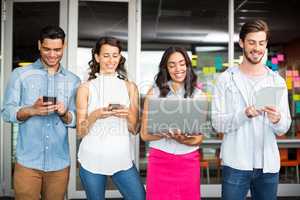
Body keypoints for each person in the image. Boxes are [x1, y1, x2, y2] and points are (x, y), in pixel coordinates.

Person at [211, 19, 291, 200]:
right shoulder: (225, 80)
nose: (257, 48)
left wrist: (277, 119)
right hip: (236, 164)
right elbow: (217, 123)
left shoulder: (276, 81)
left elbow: (284, 126)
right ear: (241, 43)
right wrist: (244, 114)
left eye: (261, 43)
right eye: (252, 42)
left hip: (268, 166)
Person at [1, 25, 80, 200]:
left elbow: (76, 120)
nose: (52, 55)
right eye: (47, 49)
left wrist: (64, 112)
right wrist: (32, 110)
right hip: (28, 163)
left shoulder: (73, 80)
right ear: (39, 45)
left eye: (57, 50)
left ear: (64, 46)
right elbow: (6, 112)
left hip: (59, 164)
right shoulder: (20, 74)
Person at [76, 36, 145, 200]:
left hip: (122, 158)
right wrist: (95, 115)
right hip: (92, 158)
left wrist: (129, 115)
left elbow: (134, 130)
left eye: (115, 55)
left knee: (139, 197)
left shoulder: (130, 87)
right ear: (97, 57)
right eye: (106, 55)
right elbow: (80, 131)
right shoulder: (85, 88)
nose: (111, 60)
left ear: (120, 57)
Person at [141, 47, 204, 200]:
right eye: (172, 65)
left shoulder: (197, 95)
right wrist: (163, 134)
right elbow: (144, 135)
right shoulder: (154, 93)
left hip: (188, 161)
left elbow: (198, 139)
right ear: (166, 68)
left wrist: (181, 138)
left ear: (188, 66)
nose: (178, 69)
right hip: (160, 160)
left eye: (182, 64)